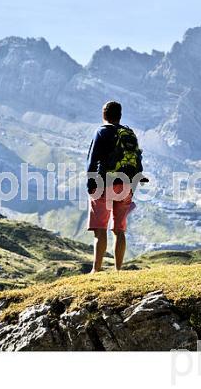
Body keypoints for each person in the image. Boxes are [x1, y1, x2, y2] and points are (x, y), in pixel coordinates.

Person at [86, 101, 144, 273]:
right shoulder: (128, 134)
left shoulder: (101, 132)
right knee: (119, 229)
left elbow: (92, 160)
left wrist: (91, 185)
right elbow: (137, 159)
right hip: (126, 184)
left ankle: (96, 270)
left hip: (104, 184)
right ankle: (118, 270)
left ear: (104, 114)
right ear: (120, 115)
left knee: (100, 228)